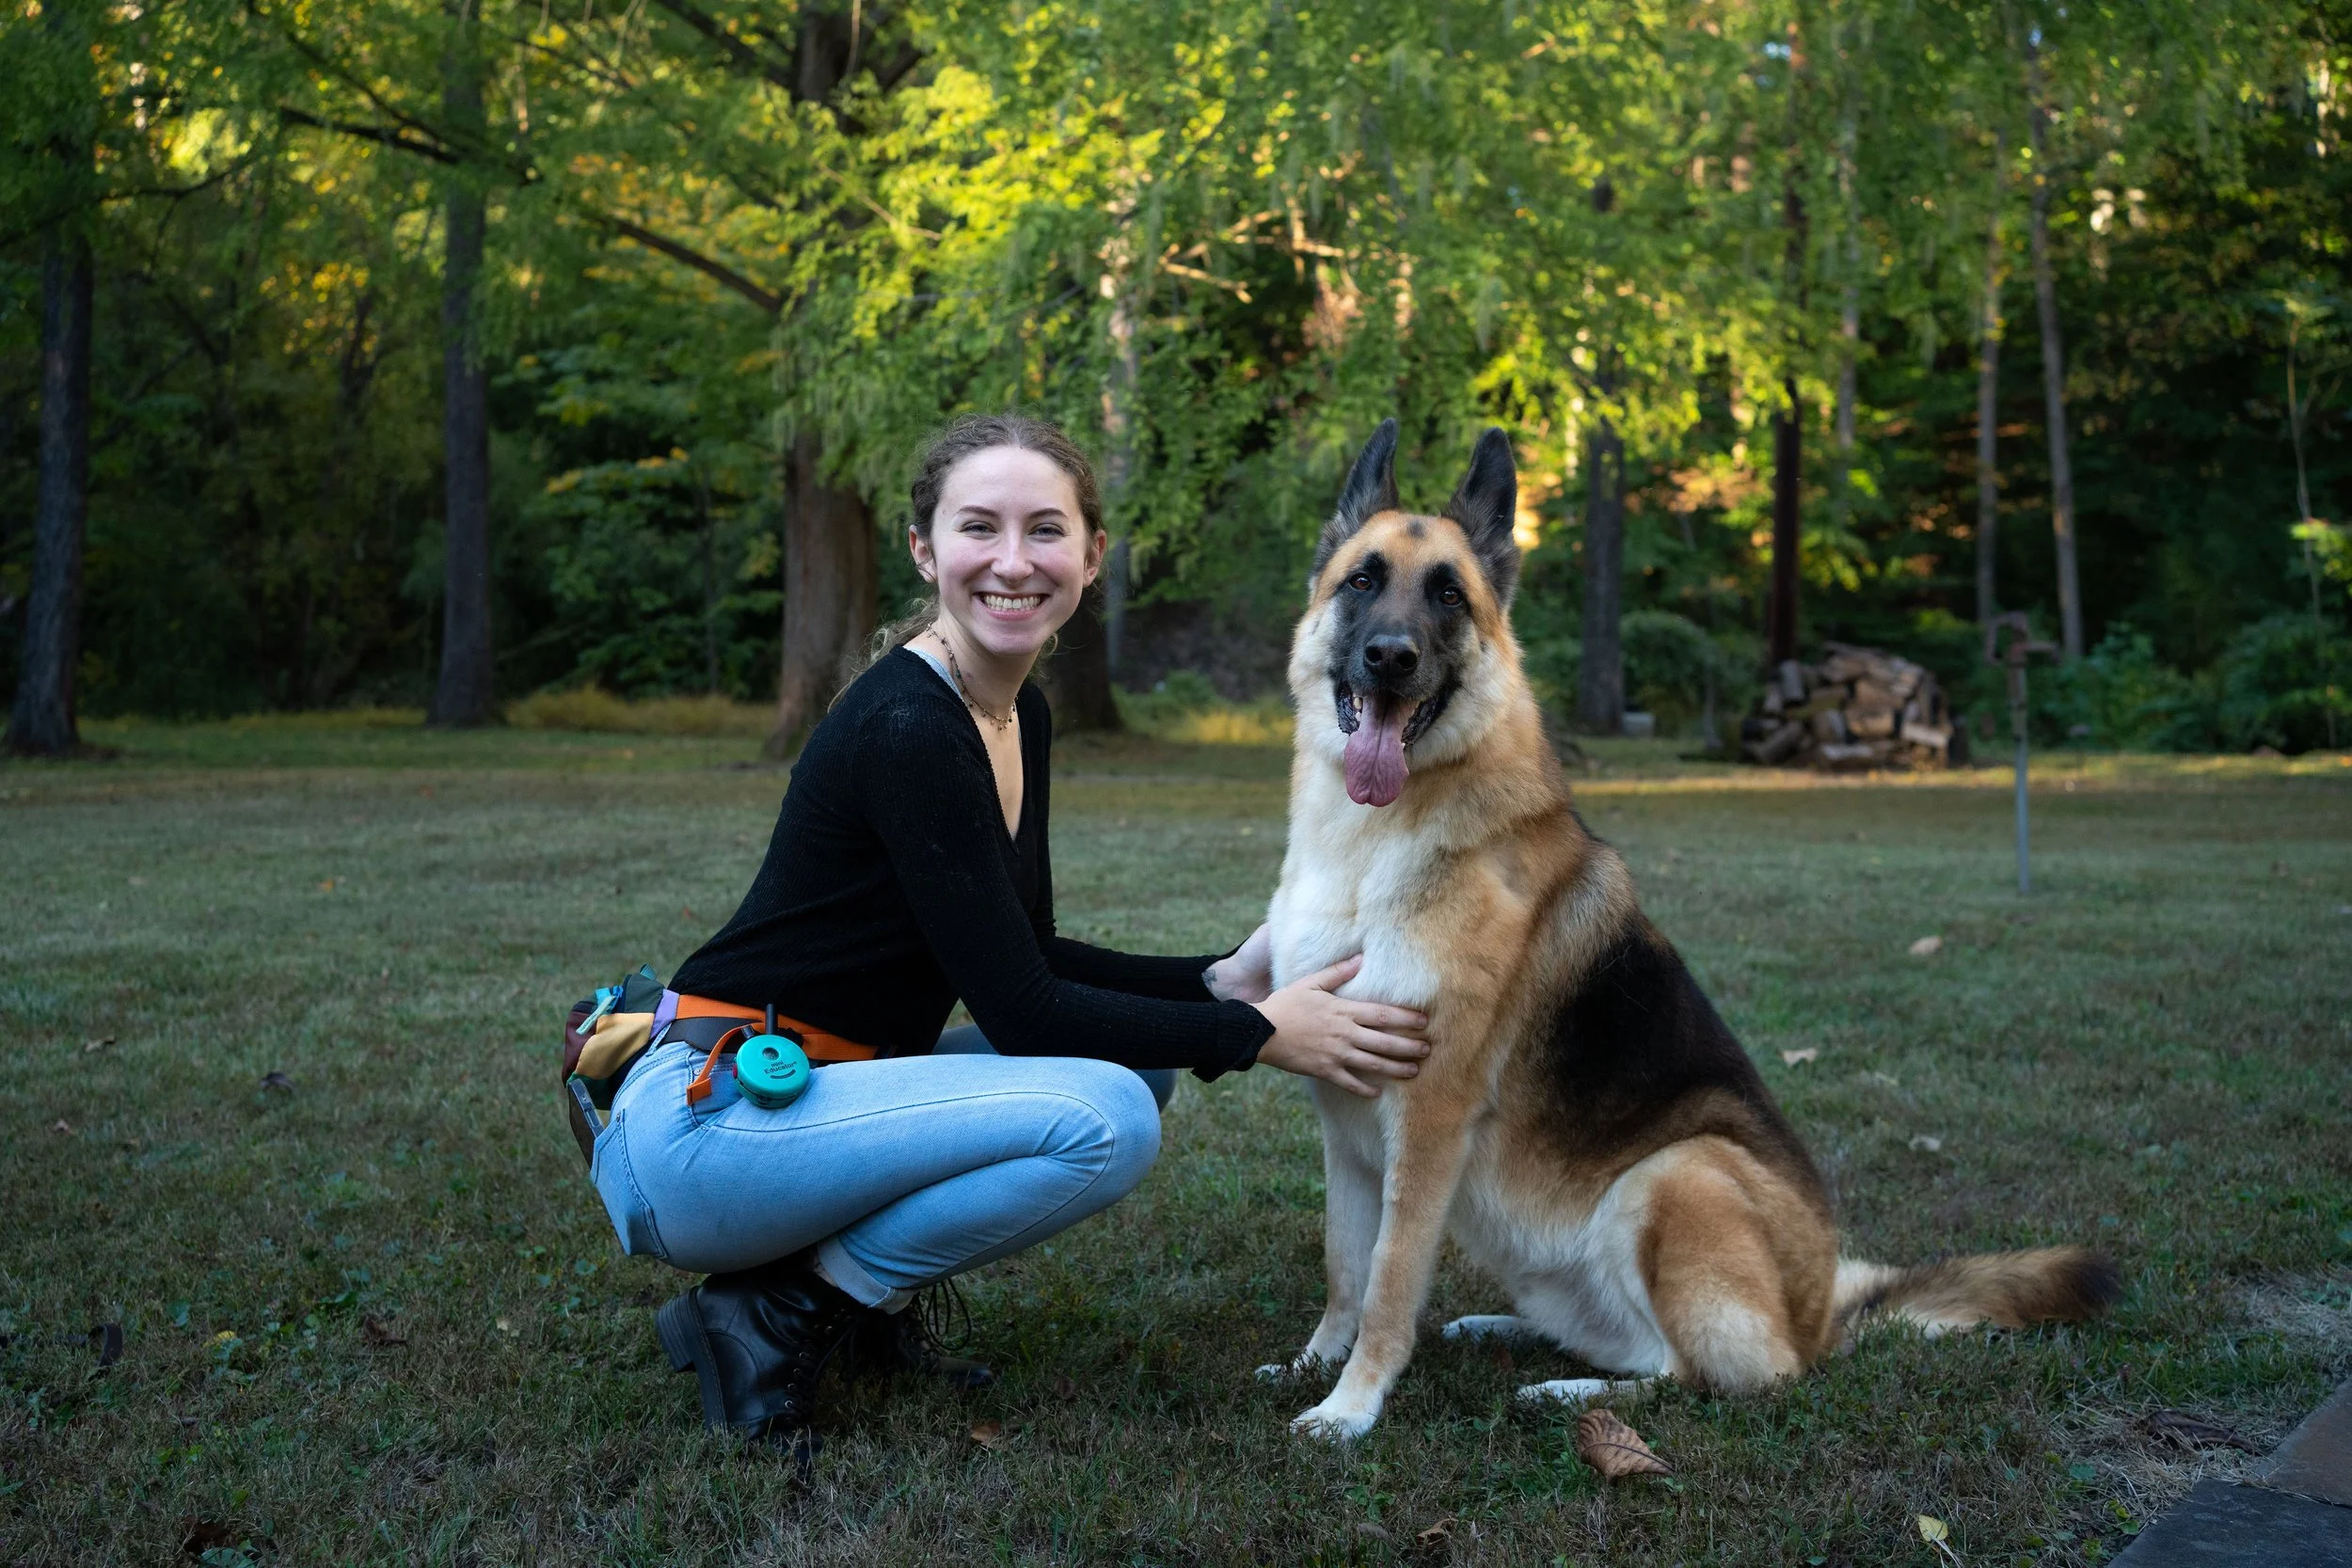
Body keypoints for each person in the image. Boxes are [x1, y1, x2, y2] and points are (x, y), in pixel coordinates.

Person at [587, 412, 1429, 1454]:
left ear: (1091, 555)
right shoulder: (910, 725)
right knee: (1112, 1110)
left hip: (802, 1098)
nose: (1013, 561)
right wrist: (1256, 1031)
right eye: (978, 527)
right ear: (924, 548)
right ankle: (779, 1310)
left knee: (1138, 1066)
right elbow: (1020, 1009)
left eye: (1045, 530)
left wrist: (1211, 984)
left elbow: (1022, 950)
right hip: (706, 1125)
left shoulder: (1012, 712)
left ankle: (820, 1297)